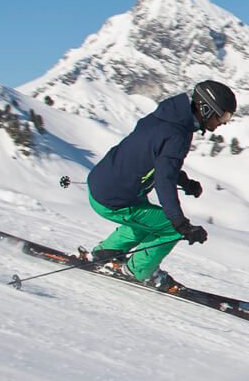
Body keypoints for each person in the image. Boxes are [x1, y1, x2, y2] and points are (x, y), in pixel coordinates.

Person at [84, 80, 235, 289]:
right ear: (206, 109)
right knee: (169, 228)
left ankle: (106, 253)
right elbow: (164, 179)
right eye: (223, 116)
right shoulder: (178, 134)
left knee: (145, 220)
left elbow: (159, 161)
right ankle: (136, 271)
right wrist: (180, 223)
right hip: (115, 199)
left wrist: (185, 182)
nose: (223, 122)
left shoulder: (165, 117)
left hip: (104, 185)